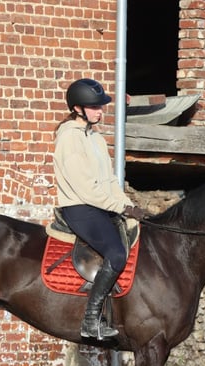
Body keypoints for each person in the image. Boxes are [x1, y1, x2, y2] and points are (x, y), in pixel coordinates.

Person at [53, 78, 148, 340]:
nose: (100, 111)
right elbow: (86, 189)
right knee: (116, 254)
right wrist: (120, 207)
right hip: (80, 208)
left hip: (99, 206)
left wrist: (129, 206)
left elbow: (109, 182)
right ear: (77, 108)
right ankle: (90, 320)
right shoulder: (70, 138)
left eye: (101, 106)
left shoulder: (96, 138)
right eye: (94, 107)